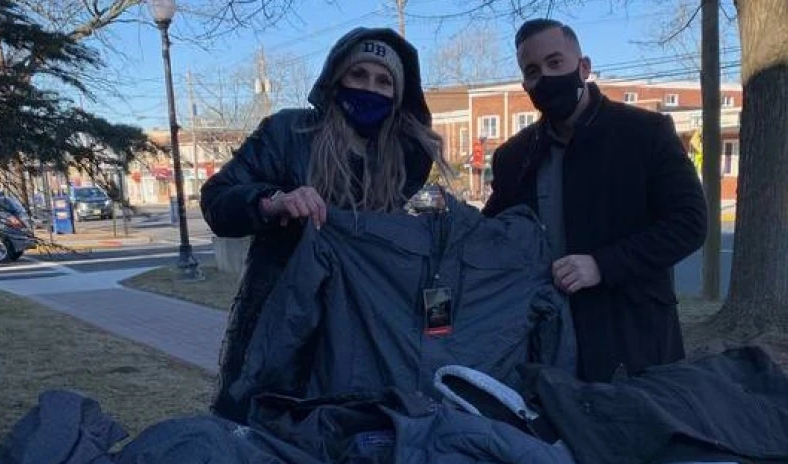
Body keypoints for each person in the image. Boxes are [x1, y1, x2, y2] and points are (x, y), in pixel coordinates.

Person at [200, 28, 451, 416]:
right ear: (336, 78)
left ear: (398, 95)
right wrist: (272, 202)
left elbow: (431, 266)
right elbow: (217, 200)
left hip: (361, 334)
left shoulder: (404, 160)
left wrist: (439, 327)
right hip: (279, 325)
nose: (370, 88)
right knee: (258, 427)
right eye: (358, 74)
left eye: (384, 81)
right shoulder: (288, 133)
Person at [484, 19, 707, 383]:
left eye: (556, 62)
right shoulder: (515, 156)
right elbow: (493, 234)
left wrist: (602, 265)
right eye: (533, 71)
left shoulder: (645, 133)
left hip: (633, 340)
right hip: (546, 342)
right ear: (525, 84)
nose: (546, 77)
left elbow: (690, 223)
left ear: (584, 67)